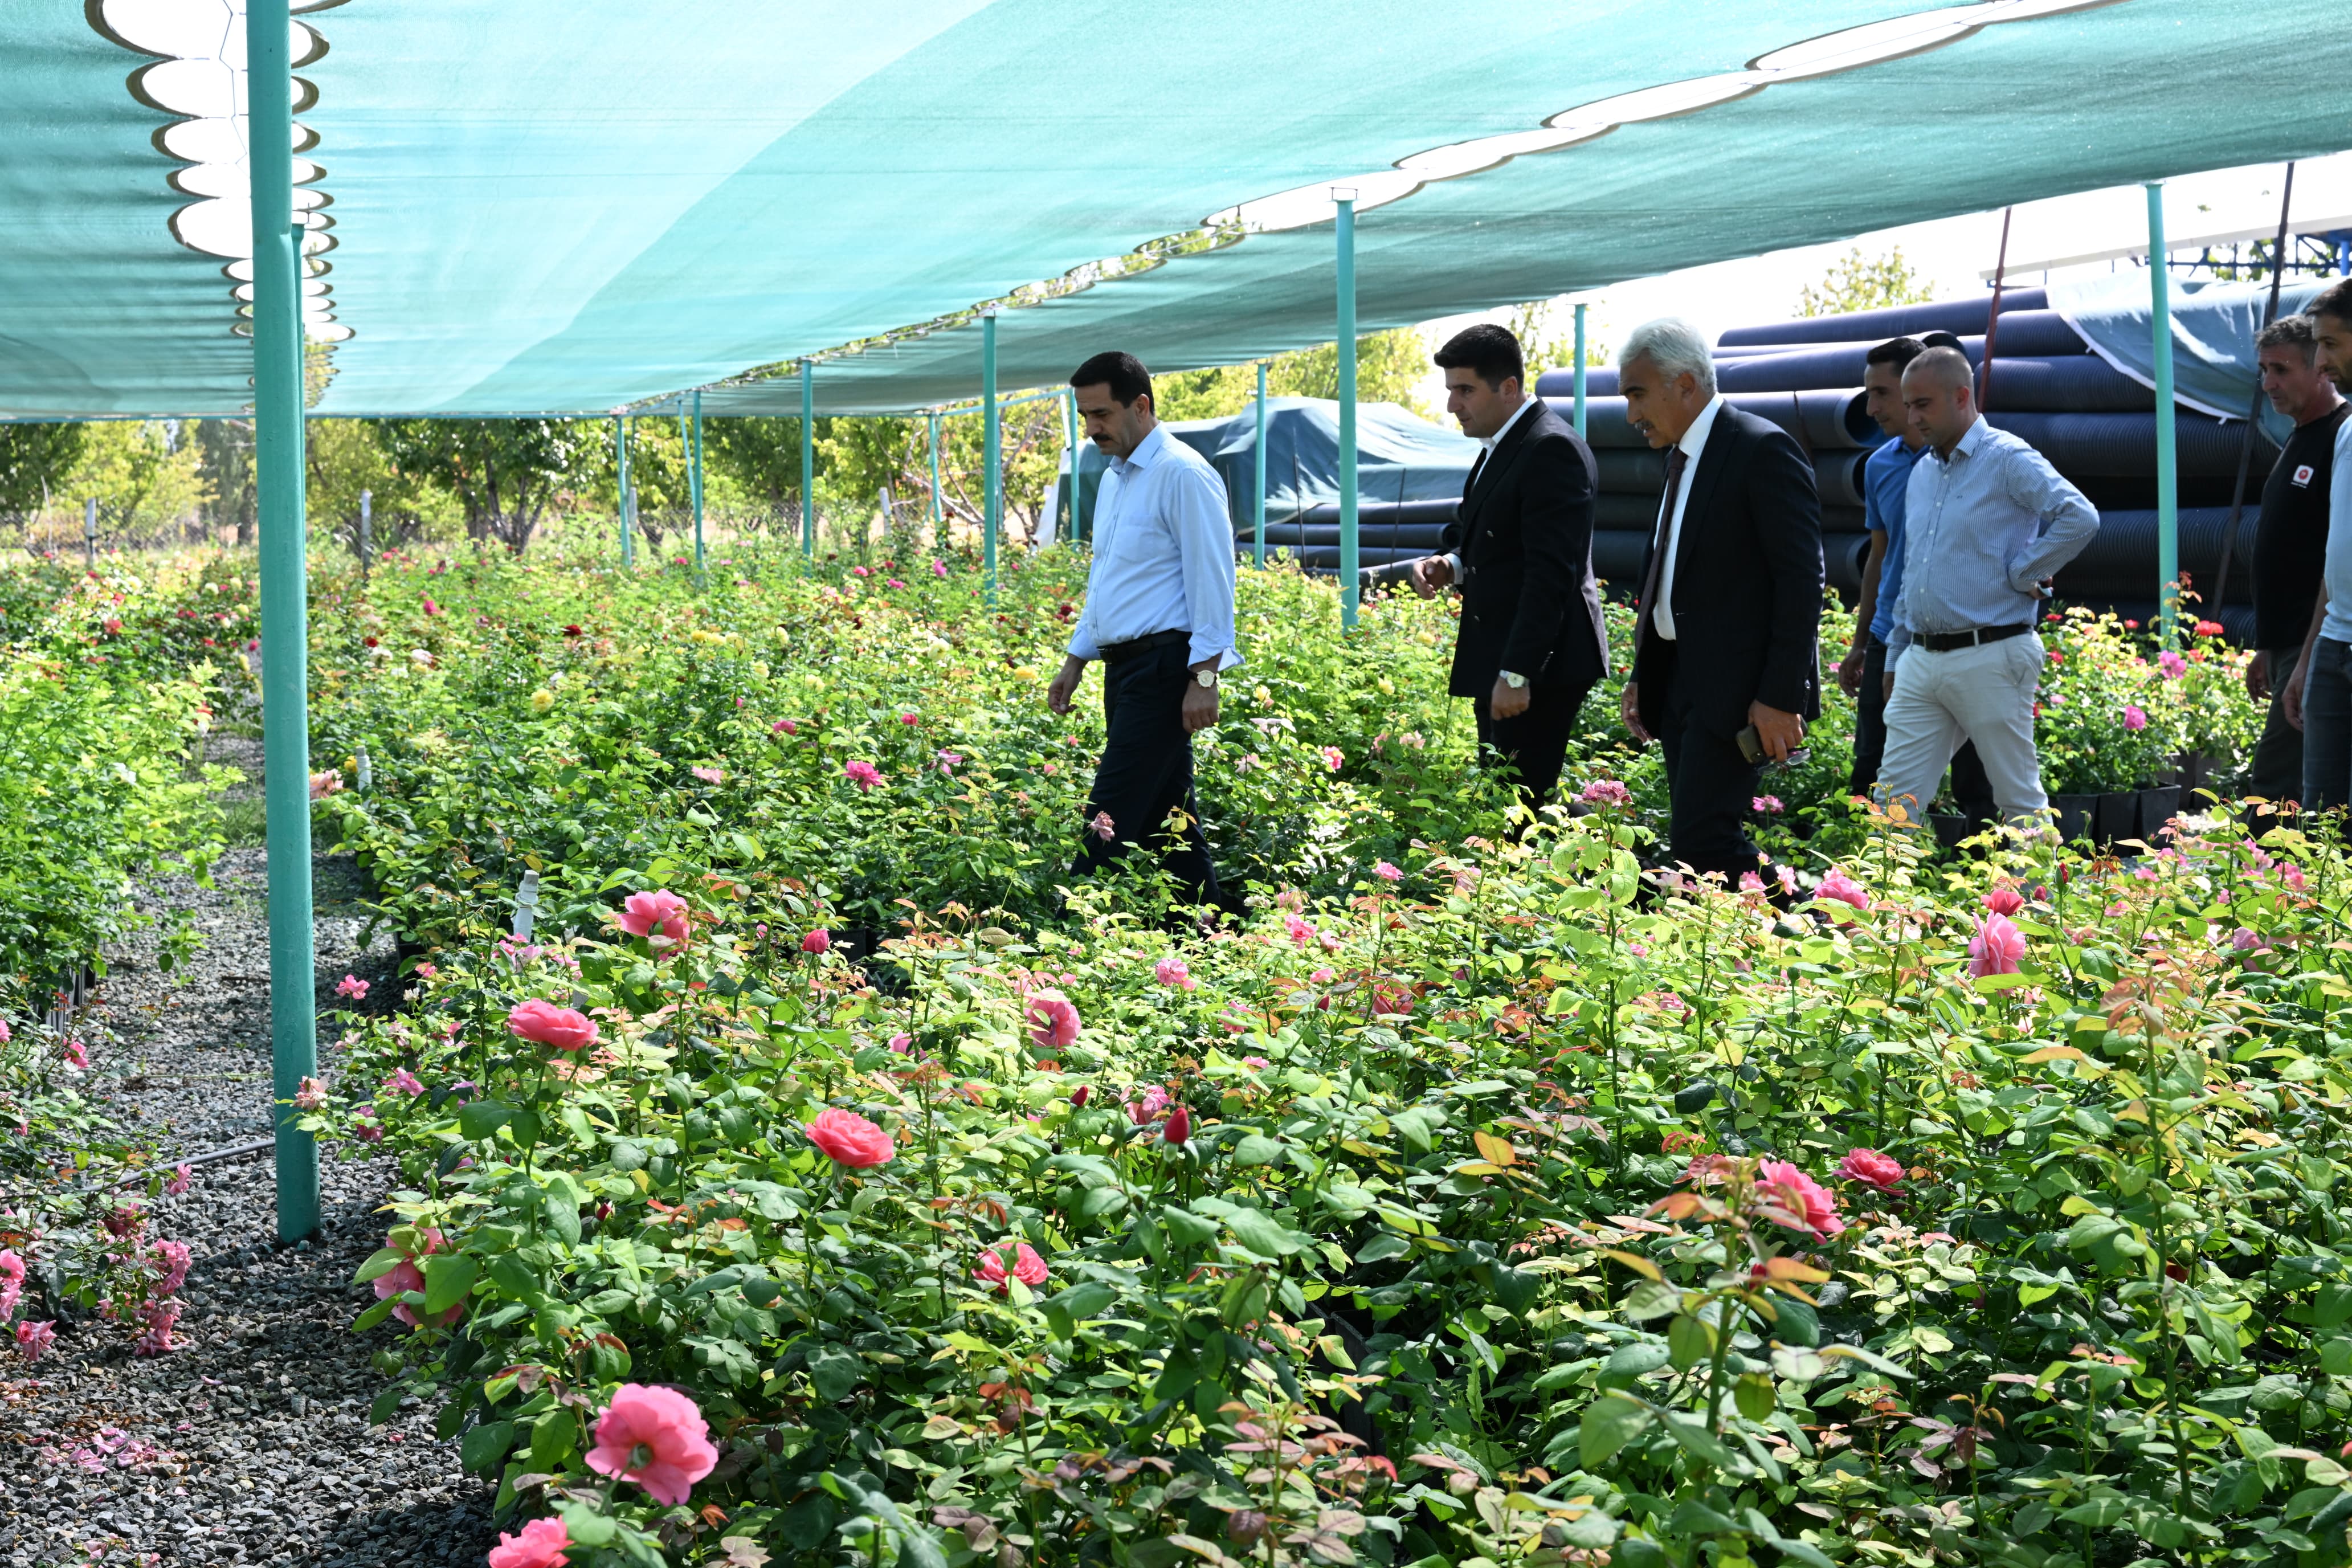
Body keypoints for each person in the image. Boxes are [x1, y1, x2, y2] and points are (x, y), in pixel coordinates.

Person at [1618, 317, 1824, 883]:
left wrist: (1781, 695)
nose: (1632, 413)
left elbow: (1802, 580)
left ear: (1684, 384)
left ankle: (1818, 921)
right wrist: (1644, 673)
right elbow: (1667, 573)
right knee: (1696, 845)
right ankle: (1737, 954)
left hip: (1739, 692)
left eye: (1638, 393)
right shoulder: (1679, 458)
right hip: (1682, 682)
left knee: (1703, 841)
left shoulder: (1760, 449)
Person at [1046, 350, 1242, 912]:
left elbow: (1213, 577)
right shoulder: (1114, 479)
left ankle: (1061, 946)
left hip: (1164, 669)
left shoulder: (1182, 473)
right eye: (1085, 416)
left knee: (1109, 816)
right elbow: (1108, 579)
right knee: (1170, 824)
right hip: (1124, 667)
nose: (1092, 429)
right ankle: (1211, 939)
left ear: (1141, 406)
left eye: (1102, 414)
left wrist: (1205, 675)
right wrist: (1076, 659)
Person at [1875, 346, 2097, 830]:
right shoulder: (1923, 471)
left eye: (1923, 405)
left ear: (1961, 397)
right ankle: (1880, 905)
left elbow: (2079, 517)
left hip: (1992, 651)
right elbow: (1912, 569)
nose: (1912, 418)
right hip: (1922, 657)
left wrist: (2024, 571)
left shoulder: (2007, 457)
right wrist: (1896, 655)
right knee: (1892, 802)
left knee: (2018, 799)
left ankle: (2041, 904)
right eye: (1908, 405)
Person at [1408, 324, 1606, 815]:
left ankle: (1644, 887)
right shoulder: (1504, 446)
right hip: (1507, 656)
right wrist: (1451, 565)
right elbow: (1497, 546)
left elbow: (1551, 575)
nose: (1454, 405)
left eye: (1465, 390)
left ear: (1509, 388)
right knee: (1514, 801)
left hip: (1541, 665)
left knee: (1522, 808)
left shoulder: (1549, 450)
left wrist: (1518, 672)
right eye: (1451, 390)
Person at [1839, 333, 1998, 825]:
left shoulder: (1978, 459)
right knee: (1872, 766)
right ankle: (1868, 882)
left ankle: (1985, 884)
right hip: (1894, 637)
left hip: (1964, 639)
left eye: (1882, 393)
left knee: (1977, 776)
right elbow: (1878, 558)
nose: (1872, 407)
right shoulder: (1880, 465)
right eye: (1870, 394)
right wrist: (1862, 642)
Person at [2240, 315, 2345, 803]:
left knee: (2277, 787)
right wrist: (2269, 646)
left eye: (2281, 370)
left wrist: (2305, 657)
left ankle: (2265, 878)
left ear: (2321, 368)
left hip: (2320, 644)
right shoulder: (2298, 436)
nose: (2268, 384)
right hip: (2291, 646)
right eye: (2264, 370)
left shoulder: (2339, 437)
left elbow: (2335, 563)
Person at [2285, 280, 2352, 815]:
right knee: (2322, 827)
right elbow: (2338, 554)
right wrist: (2310, 656)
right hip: (2336, 645)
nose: (2321, 361)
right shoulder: (2347, 432)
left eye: (2331, 344)